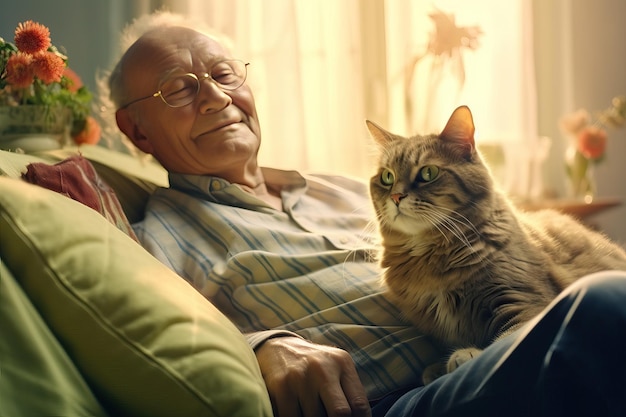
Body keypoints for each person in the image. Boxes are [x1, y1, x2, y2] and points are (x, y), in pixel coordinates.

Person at [108, 13, 626, 417]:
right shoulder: (160, 234)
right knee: (603, 308)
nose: (217, 97)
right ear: (136, 131)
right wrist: (260, 348)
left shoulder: (345, 189)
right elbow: (148, 345)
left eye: (223, 74)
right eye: (180, 87)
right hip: (397, 402)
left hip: (487, 358)